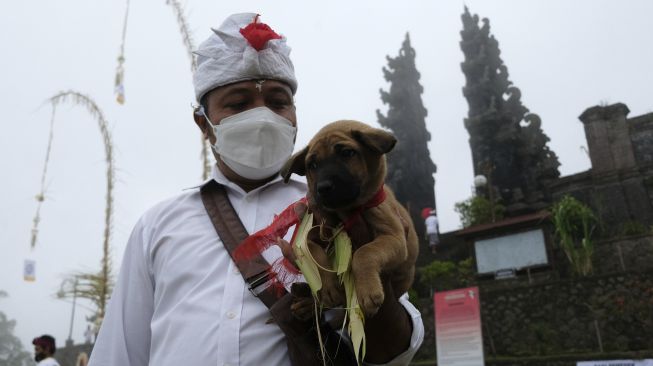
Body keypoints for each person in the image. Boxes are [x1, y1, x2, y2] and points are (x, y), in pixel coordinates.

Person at [88, 13, 423, 366]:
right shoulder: (158, 226)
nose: (263, 116)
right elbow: (119, 353)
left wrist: (361, 271)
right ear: (203, 123)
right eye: (238, 103)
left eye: (278, 101)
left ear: (294, 117)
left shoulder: (339, 207)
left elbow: (395, 352)